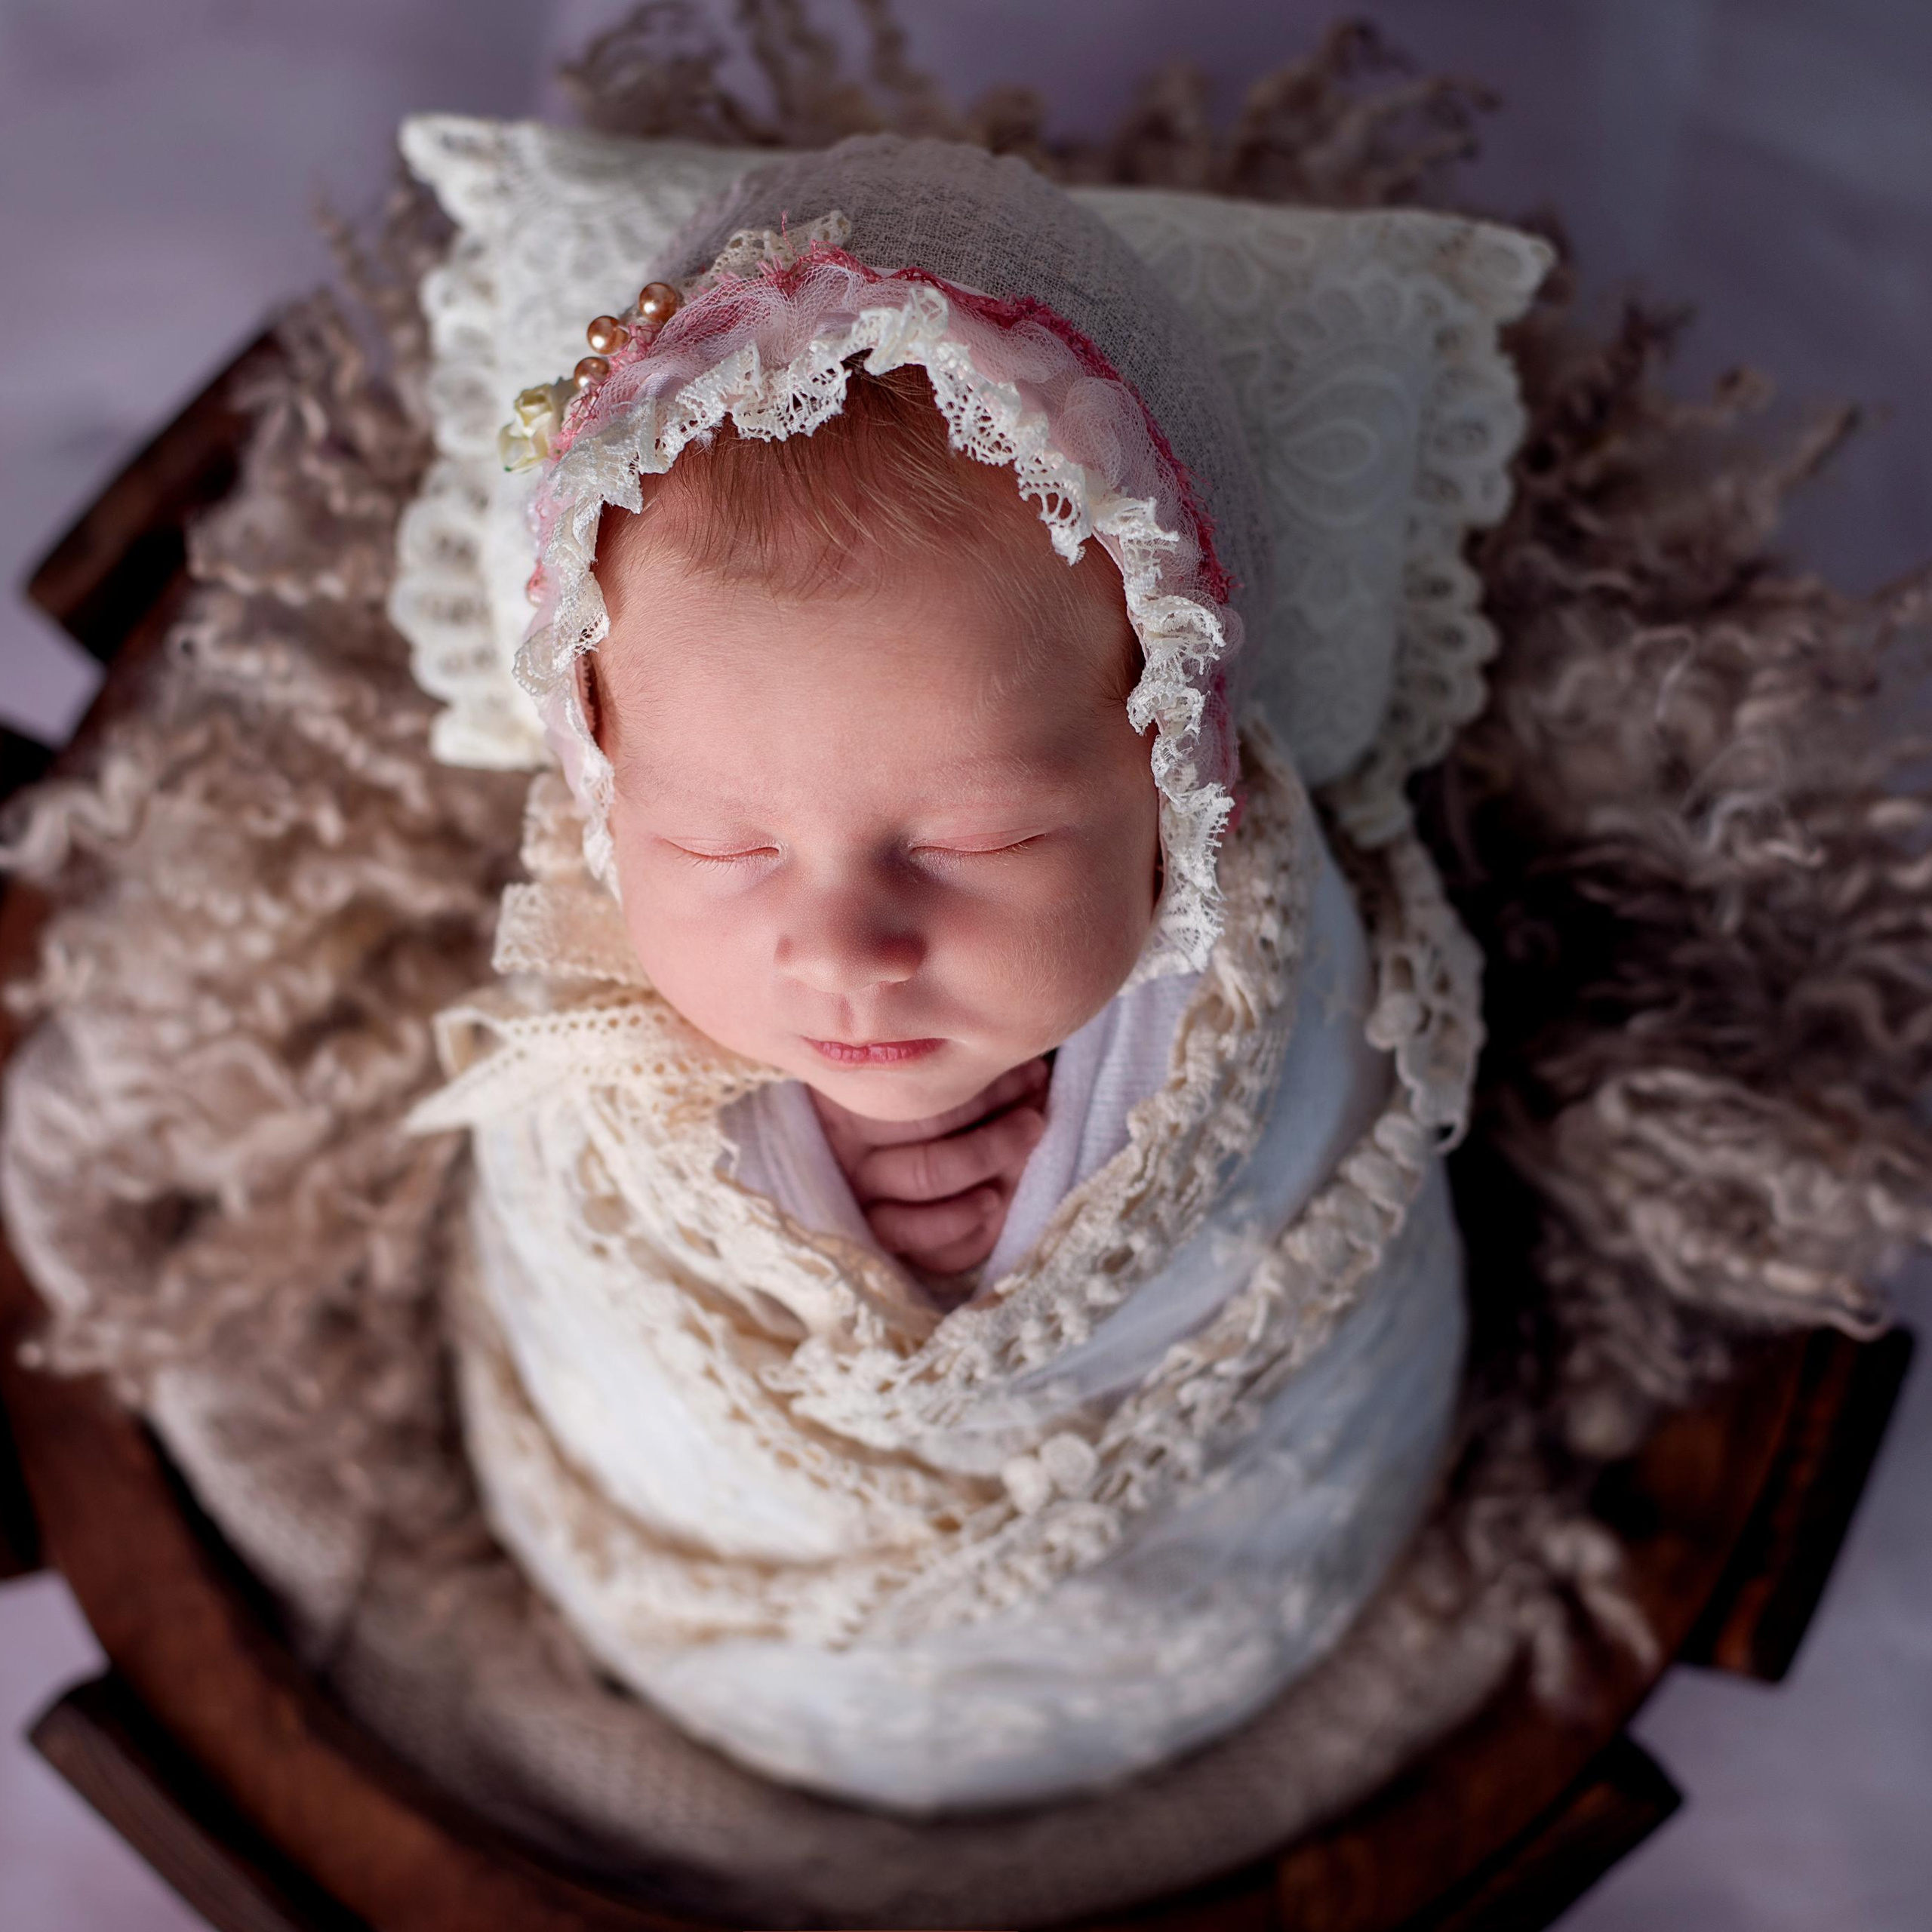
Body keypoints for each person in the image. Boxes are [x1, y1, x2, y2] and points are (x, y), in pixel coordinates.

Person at [405, 135, 1477, 1814]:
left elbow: (1307, 1198)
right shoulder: (588, 988)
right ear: (605, 788)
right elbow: (592, 1280)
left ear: (1172, 766)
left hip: (1197, 1598)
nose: (843, 949)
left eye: (976, 840)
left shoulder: (1247, 968)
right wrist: (815, 1224)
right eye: (721, 849)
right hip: (719, 1607)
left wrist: (1036, 1251)